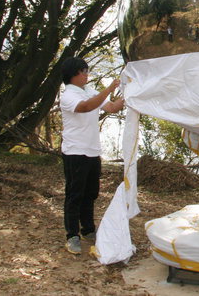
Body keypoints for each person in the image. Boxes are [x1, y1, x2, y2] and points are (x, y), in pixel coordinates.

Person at [59, 57, 125, 255]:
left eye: (87, 70)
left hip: (92, 151)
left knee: (91, 193)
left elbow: (112, 107)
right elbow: (86, 107)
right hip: (75, 151)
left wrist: (130, 94)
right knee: (74, 195)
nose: (87, 74)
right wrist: (109, 88)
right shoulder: (68, 95)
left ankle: (88, 229)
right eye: (84, 71)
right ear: (74, 74)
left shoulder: (90, 92)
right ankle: (72, 236)